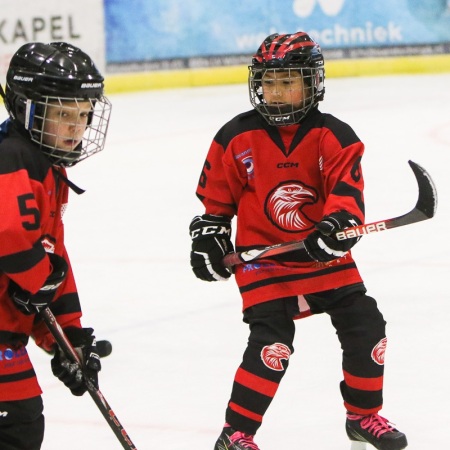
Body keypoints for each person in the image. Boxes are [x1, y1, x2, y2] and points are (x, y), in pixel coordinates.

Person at [189, 32, 408, 450]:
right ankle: (236, 434)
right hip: (263, 263)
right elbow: (215, 203)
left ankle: (363, 415)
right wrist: (210, 235)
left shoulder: (335, 136)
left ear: (311, 82)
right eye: (269, 81)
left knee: (366, 325)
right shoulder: (235, 136)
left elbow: (346, 197)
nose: (275, 91)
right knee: (272, 343)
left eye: (287, 81)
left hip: (322, 259)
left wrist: (336, 230)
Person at [0, 41, 112, 449]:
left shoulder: (44, 168)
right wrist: (35, 281)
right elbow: (9, 237)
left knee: (23, 427)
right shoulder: (12, 157)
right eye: (63, 114)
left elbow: (52, 260)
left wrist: (70, 338)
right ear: (27, 108)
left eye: (83, 115)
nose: (76, 127)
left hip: (7, 344)